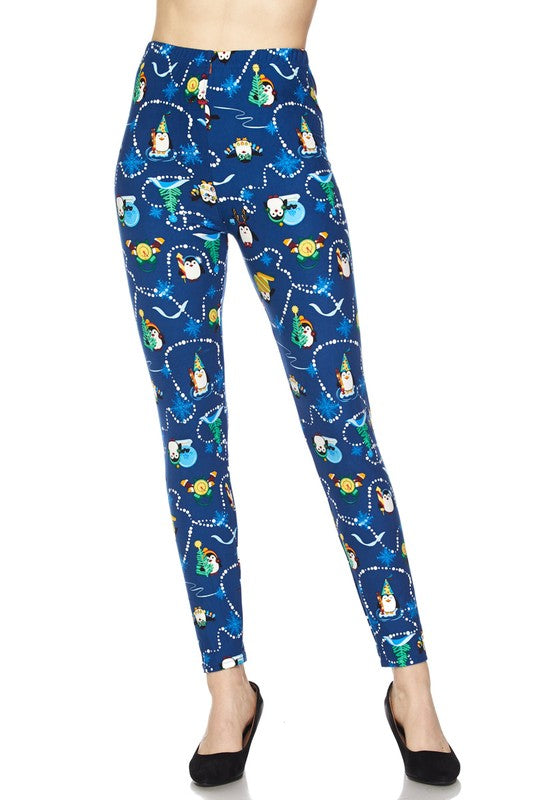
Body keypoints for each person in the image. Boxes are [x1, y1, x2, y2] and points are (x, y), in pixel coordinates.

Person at [113, 0, 461, 787]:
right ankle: (226, 688)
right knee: (190, 433)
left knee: (341, 424)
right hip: (162, 114)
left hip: (277, 117)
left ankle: (411, 685)